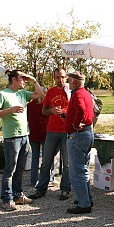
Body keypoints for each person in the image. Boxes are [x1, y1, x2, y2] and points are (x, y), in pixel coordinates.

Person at [0, 69, 45, 211]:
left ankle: (18, 195)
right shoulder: (2, 94)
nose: (24, 80)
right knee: (10, 170)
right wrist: (10, 110)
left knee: (20, 169)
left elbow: (40, 94)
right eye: (22, 78)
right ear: (13, 79)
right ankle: (6, 199)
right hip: (11, 138)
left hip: (24, 136)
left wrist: (33, 80)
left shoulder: (22, 93)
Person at [29, 67, 73, 201]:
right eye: (58, 77)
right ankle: (41, 189)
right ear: (54, 78)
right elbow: (43, 110)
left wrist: (66, 113)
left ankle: (65, 189)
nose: (61, 80)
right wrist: (52, 110)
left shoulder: (71, 91)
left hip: (67, 131)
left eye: (63, 77)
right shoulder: (51, 92)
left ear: (66, 77)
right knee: (46, 161)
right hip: (52, 130)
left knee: (67, 163)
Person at [64, 71, 95, 215]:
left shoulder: (77, 94)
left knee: (77, 171)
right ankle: (86, 198)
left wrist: (76, 124)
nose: (68, 83)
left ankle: (84, 203)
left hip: (78, 135)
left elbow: (81, 109)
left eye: (69, 80)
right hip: (87, 133)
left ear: (75, 82)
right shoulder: (86, 93)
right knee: (84, 169)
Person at [26, 93, 48, 187]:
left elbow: (27, 118)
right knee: (46, 158)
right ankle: (47, 178)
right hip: (45, 133)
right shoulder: (46, 106)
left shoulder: (29, 105)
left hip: (33, 133)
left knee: (35, 157)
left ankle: (33, 180)